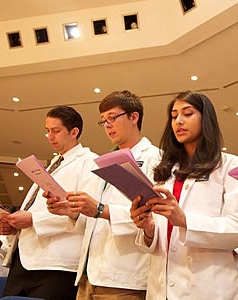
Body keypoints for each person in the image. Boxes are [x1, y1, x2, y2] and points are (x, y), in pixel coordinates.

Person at [130, 91, 238, 300]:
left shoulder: (230, 165)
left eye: (188, 113)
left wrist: (184, 221)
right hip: (161, 288)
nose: (179, 121)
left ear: (206, 118)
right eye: (174, 116)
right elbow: (160, 238)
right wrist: (148, 228)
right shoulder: (163, 171)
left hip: (208, 289)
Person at [47, 90, 160, 300]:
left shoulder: (156, 159)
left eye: (112, 118)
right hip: (89, 274)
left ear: (134, 117)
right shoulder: (105, 161)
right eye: (103, 121)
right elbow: (94, 217)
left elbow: (155, 217)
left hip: (124, 278)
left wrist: (101, 210)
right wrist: (72, 211)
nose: (107, 125)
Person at [0, 106, 100, 299]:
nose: (50, 136)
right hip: (24, 259)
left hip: (56, 264)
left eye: (56, 130)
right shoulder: (54, 162)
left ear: (74, 132)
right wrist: (14, 224)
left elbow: (84, 214)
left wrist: (33, 220)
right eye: (47, 131)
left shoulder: (89, 162)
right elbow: (33, 207)